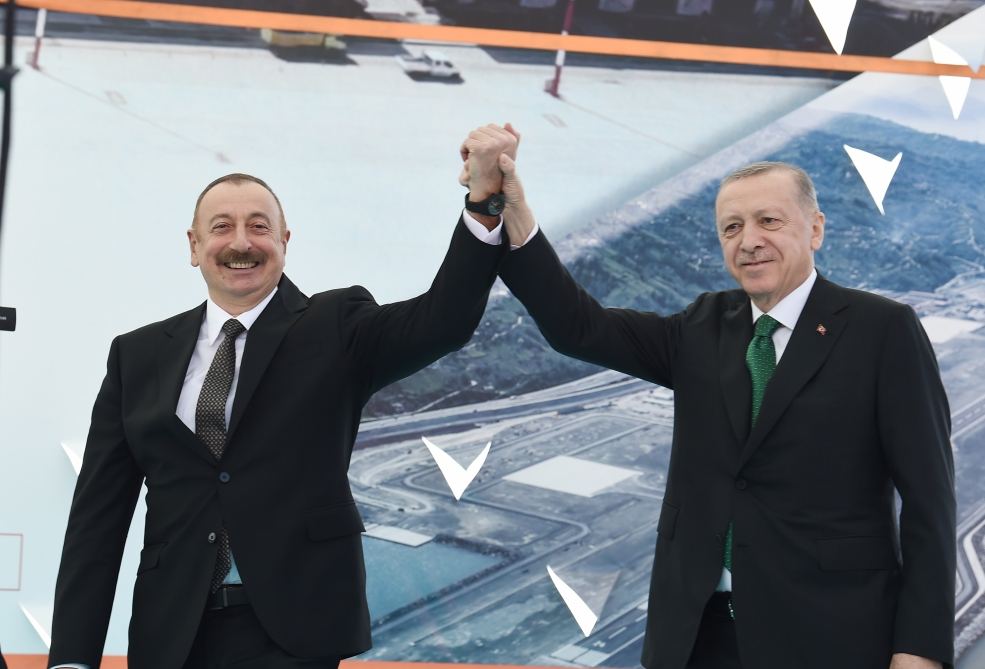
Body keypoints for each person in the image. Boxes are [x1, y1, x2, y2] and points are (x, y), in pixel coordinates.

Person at [464, 126, 955, 669]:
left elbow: (929, 502)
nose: (749, 241)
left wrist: (919, 649)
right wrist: (511, 211)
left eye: (769, 221)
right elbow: (578, 327)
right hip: (696, 636)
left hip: (829, 635)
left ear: (815, 229)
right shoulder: (702, 325)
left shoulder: (882, 330)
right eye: (731, 227)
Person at [47, 125, 518, 669]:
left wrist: (484, 203)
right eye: (221, 227)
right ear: (194, 246)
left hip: (295, 634)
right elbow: (97, 521)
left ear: (285, 243)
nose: (241, 243)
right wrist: (72, 660)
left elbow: (443, 320)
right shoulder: (136, 355)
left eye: (259, 226)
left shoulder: (335, 325)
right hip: (171, 636)